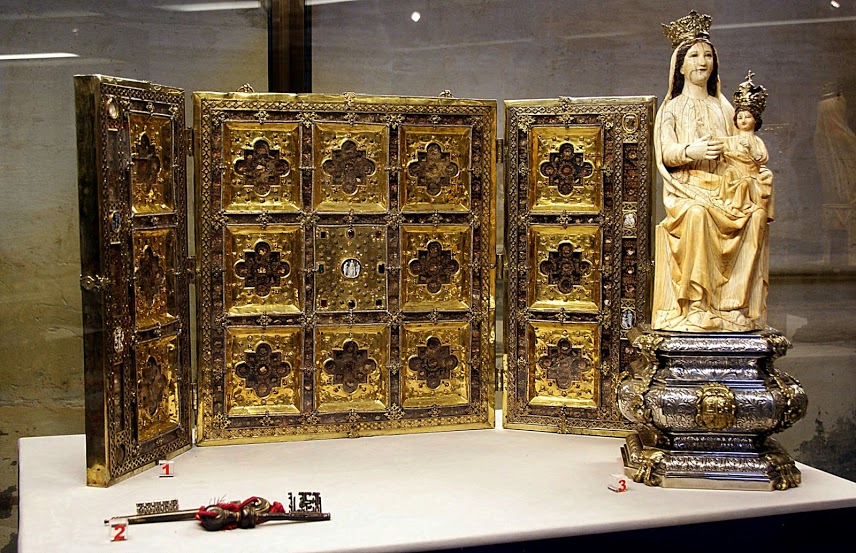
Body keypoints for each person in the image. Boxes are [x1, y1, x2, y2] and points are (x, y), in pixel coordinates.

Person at [652, 11, 773, 332]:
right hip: (688, 190)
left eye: (707, 55)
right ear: (680, 66)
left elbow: (743, 150)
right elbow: (665, 152)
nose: (702, 62)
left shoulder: (724, 108)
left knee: (756, 216)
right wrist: (691, 151)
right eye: (694, 56)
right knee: (697, 215)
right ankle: (695, 305)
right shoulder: (672, 109)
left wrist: (757, 172)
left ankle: (734, 305)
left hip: (725, 190)